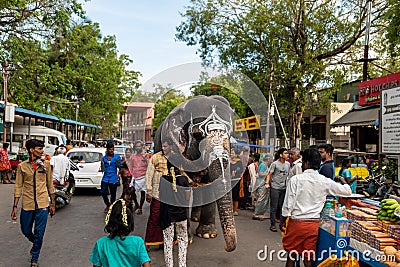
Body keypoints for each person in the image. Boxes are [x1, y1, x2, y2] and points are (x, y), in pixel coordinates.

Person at [280, 148, 352, 267]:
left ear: (306, 163)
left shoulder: (296, 180)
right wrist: (342, 180)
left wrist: (283, 220)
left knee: (291, 256)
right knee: (308, 258)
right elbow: (347, 191)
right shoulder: (324, 181)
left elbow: (288, 204)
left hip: (296, 223)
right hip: (312, 225)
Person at [11, 139, 55, 267]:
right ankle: (35, 242)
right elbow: (18, 186)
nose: (42, 151)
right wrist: (14, 206)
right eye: (39, 149)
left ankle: (34, 258)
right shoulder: (22, 166)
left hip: (42, 204)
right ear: (31, 150)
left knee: (39, 233)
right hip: (27, 203)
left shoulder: (46, 165)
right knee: (25, 230)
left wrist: (52, 203)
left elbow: (49, 184)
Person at [89, 199, 151, 267]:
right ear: (130, 222)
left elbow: (96, 265)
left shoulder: (101, 243)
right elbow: (146, 264)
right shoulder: (138, 242)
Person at [159, 163, 190, 267]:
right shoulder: (184, 180)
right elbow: (187, 198)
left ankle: (169, 265)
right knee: (182, 241)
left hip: (167, 217)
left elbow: (161, 196)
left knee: (168, 242)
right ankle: (182, 265)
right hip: (181, 216)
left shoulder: (163, 179)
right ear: (179, 166)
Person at [145, 139, 172, 248]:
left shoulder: (175, 158)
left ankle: (164, 241)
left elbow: (181, 172)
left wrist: (190, 182)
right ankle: (148, 242)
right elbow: (149, 174)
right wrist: (149, 191)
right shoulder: (155, 157)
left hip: (170, 194)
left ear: (171, 147)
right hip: (157, 193)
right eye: (163, 146)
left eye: (166, 146)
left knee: (168, 218)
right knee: (154, 217)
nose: (163, 148)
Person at [265, 148, 290, 232]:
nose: (287, 155)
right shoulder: (275, 164)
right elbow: (269, 174)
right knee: (274, 207)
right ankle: (273, 225)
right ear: (281, 155)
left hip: (284, 187)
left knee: (282, 206)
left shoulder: (288, 164)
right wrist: (267, 183)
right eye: (285, 153)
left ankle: (281, 224)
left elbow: (288, 175)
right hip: (275, 187)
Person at [128, 141, 149, 215]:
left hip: (143, 176)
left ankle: (140, 207)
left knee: (142, 193)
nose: (138, 148)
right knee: (132, 191)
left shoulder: (145, 155)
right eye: (137, 146)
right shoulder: (133, 156)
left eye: (139, 146)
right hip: (135, 176)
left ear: (142, 147)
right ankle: (136, 204)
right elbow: (131, 166)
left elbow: (149, 165)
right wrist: (131, 176)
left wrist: (145, 158)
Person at [100, 142, 121, 213]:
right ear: (107, 150)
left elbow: (119, 166)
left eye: (112, 149)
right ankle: (107, 204)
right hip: (105, 177)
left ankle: (111, 206)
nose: (111, 151)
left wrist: (118, 163)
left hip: (113, 177)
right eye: (110, 149)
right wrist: (102, 164)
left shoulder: (117, 157)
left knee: (113, 194)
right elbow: (103, 170)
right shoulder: (104, 158)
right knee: (103, 192)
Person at [252, 153, 273, 220]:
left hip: (263, 184)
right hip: (261, 184)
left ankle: (261, 213)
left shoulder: (265, 165)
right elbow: (260, 173)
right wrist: (268, 174)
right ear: (268, 159)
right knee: (261, 199)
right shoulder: (263, 165)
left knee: (264, 199)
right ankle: (257, 213)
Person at [230, 149, 243, 216]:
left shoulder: (239, 162)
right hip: (229, 181)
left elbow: (241, 170)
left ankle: (235, 210)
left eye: (233, 153)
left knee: (235, 195)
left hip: (236, 180)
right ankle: (229, 209)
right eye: (230, 153)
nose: (231, 154)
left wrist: (235, 172)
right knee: (229, 195)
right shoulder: (227, 161)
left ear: (235, 154)